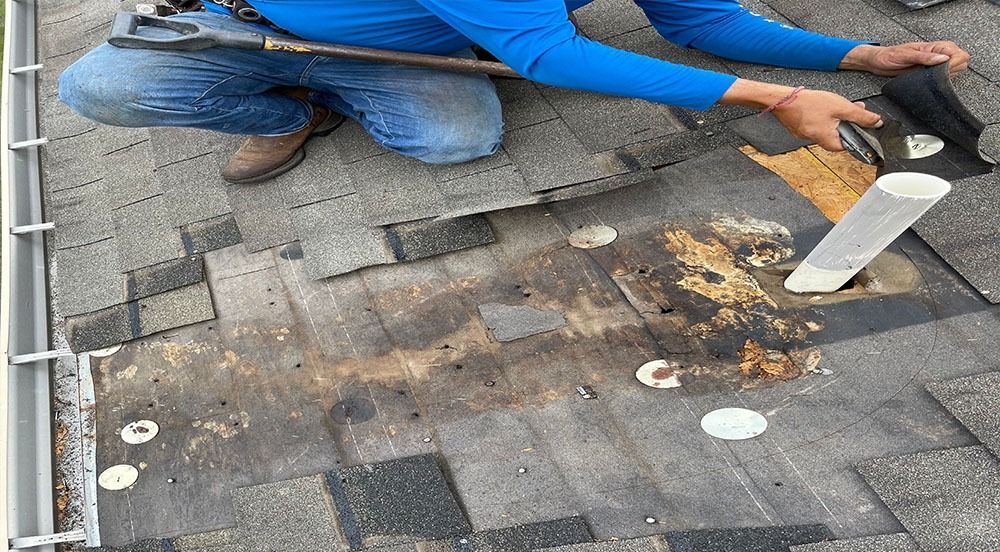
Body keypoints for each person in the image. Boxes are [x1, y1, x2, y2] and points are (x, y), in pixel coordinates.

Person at [59, 0, 971, 183]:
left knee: (455, 145)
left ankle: (332, 94)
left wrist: (856, 56)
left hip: (405, 53)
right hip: (234, 28)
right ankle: (287, 110)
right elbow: (541, 50)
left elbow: (703, 20)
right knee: (96, 88)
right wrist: (773, 100)